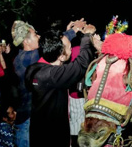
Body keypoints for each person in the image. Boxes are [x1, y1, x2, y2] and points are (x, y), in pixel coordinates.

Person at [11, 19, 86, 147]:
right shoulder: (25, 58)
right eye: (35, 35)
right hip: (27, 121)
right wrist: (72, 31)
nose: (39, 36)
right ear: (26, 41)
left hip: (32, 117)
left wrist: (65, 33)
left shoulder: (24, 57)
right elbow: (52, 48)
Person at [25, 23, 96, 147]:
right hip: (52, 138)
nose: (71, 50)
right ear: (62, 56)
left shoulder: (33, 69)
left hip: (38, 133)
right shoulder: (53, 75)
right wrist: (87, 36)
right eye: (69, 47)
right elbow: (81, 64)